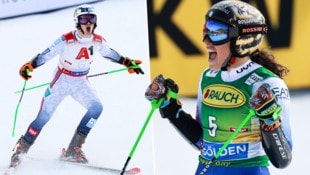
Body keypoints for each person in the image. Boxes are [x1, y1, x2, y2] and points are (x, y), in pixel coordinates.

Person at [145, 1, 292, 175]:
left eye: (216, 32)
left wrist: (270, 122)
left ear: (241, 40)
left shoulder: (267, 83)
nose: (206, 41)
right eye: (206, 30)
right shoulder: (208, 77)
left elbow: (283, 160)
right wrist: (168, 107)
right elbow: (202, 142)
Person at [9, 4, 144, 168]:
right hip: (62, 81)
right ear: (77, 22)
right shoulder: (66, 40)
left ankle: (74, 149)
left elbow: (110, 53)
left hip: (80, 82)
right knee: (43, 117)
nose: (88, 23)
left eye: (91, 19)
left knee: (96, 108)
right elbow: (46, 54)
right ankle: (21, 148)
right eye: (84, 19)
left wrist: (127, 63)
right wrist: (30, 65)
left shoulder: (98, 41)